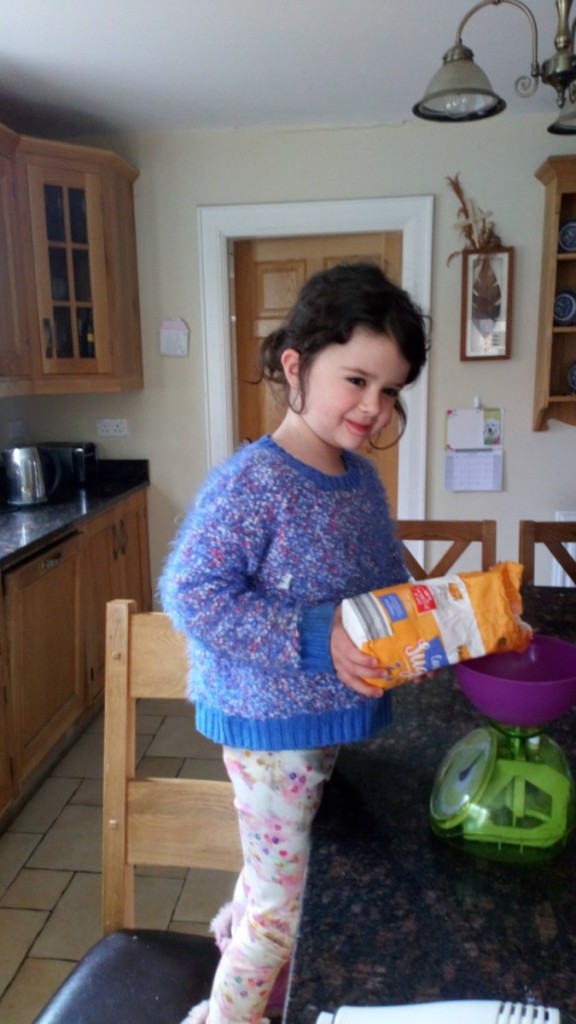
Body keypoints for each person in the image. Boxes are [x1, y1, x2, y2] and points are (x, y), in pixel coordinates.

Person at [159, 261, 429, 1024]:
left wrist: (440, 624)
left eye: (391, 390)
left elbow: (384, 588)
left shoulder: (360, 483)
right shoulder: (253, 482)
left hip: (327, 724)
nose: (374, 408)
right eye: (357, 380)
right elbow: (192, 595)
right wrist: (317, 636)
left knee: (283, 866)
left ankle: (235, 926)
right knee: (285, 911)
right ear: (295, 365)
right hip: (271, 731)